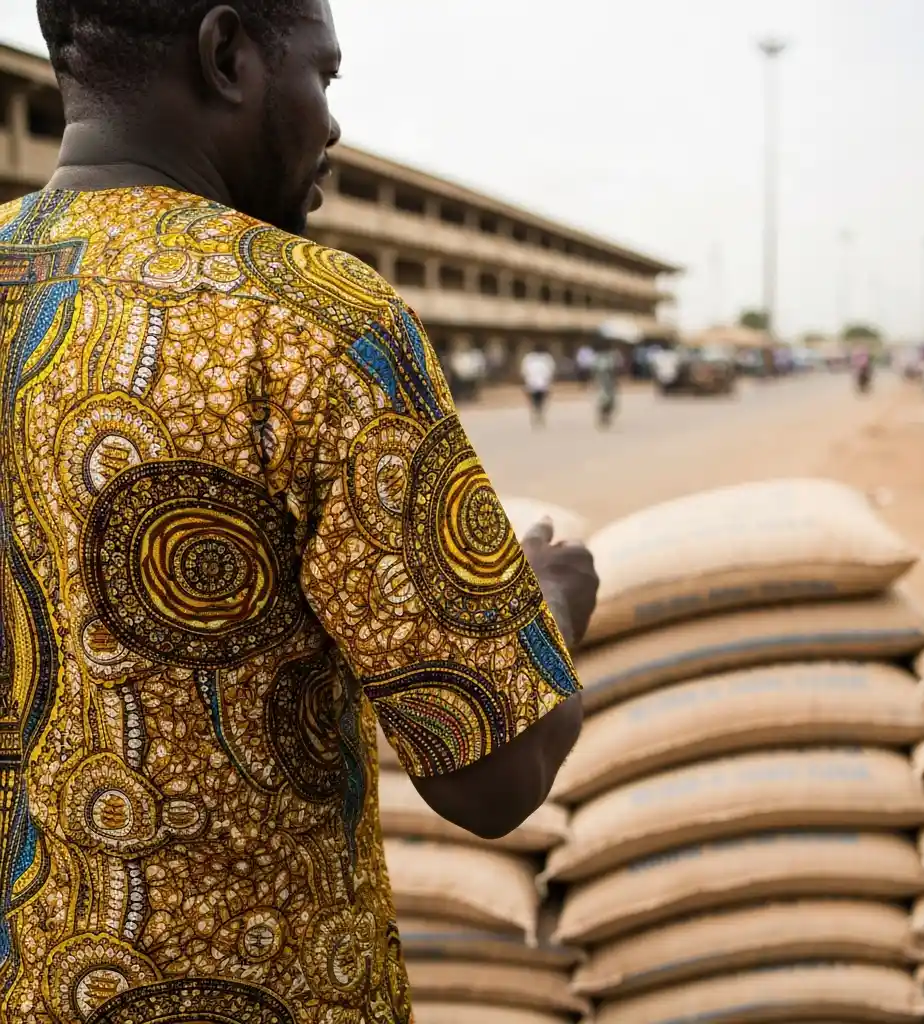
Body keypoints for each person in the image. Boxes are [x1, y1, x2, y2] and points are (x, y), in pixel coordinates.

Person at [0, 3, 598, 1022]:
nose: (330, 126)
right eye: (323, 78)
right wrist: (545, 611)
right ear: (227, 54)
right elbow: (494, 776)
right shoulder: (315, 319)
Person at [520, 341, 556, 427]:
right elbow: (551, 370)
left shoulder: (528, 358)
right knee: (542, 401)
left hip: (531, 383)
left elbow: (524, 370)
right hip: (543, 384)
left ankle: (536, 412)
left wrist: (526, 379)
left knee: (534, 401)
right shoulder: (547, 358)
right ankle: (540, 413)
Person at [592, 342, 620, 428]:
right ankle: (604, 417)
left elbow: (593, 371)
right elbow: (613, 371)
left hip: (604, 382)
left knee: (606, 400)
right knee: (607, 400)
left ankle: (604, 416)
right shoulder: (608, 358)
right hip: (605, 382)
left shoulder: (599, 358)